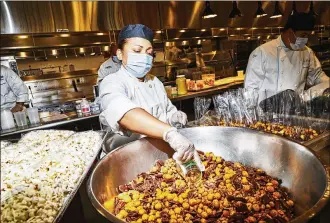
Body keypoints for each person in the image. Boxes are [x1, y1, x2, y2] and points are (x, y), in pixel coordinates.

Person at [99, 24, 203, 168]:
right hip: (126, 161)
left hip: (159, 156)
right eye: (137, 50)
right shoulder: (112, 82)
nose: (144, 57)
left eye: (149, 53)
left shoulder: (155, 82)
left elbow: (166, 111)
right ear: (120, 54)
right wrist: (169, 133)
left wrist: (173, 117)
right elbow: (124, 114)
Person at [244, 12, 329, 102]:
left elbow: (317, 76)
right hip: (267, 112)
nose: (306, 39)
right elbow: (250, 90)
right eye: (303, 35)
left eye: (307, 35)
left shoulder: (307, 52)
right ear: (290, 32)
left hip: (296, 109)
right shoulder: (262, 52)